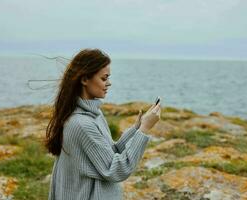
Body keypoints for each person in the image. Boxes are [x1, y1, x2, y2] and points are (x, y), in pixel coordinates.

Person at [45, 49, 161, 200]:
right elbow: (117, 170)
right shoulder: (81, 124)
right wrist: (144, 129)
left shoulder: (93, 114)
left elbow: (109, 153)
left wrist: (136, 128)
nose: (109, 83)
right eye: (104, 78)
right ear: (85, 79)